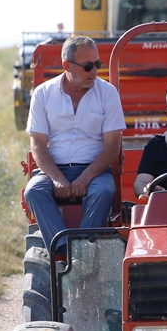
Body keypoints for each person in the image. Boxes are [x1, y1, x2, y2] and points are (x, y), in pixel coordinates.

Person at [24, 36, 125, 251]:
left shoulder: (108, 93)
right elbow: (38, 145)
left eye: (97, 64)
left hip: (95, 171)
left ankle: (83, 253)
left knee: (104, 191)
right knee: (33, 191)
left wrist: (86, 177)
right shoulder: (43, 94)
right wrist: (57, 178)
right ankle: (63, 250)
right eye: (88, 66)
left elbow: (112, 146)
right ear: (66, 66)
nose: (94, 72)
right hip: (54, 170)